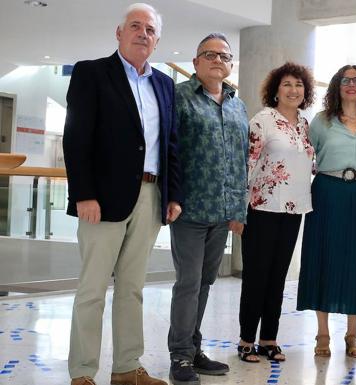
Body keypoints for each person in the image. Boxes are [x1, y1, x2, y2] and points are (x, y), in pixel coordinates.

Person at [63, 3, 182, 385]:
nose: (142, 33)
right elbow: (76, 137)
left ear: (157, 39)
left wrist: (172, 196)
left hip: (150, 197)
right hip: (101, 199)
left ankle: (127, 368)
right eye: (135, 26)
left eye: (150, 29)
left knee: (132, 289)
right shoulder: (92, 73)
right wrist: (83, 194)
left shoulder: (164, 84)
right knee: (93, 289)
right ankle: (83, 372)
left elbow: (172, 144)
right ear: (119, 33)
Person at [168, 33, 248, 385]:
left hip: (222, 212)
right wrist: (171, 196)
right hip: (188, 208)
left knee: (205, 283)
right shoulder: (179, 97)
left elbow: (241, 159)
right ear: (196, 63)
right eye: (209, 54)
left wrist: (238, 210)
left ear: (230, 64)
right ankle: (180, 356)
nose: (217, 60)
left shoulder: (236, 103)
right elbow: (168, 151)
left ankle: (193, 348)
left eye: (224, 55)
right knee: (188, 283)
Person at [297, 64, 356, 358]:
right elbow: (307, 156)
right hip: (327, 192)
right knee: (324, 256)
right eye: (345, 80)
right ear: (337, 86)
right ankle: (322, 334)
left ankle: (352, 335)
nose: (351, 84)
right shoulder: (322, 121)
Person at [237, 62, 315, 363]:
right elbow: (247, 165)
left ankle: (269, 339)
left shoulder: (303, 125)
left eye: (298, 84)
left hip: (294, 209)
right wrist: (239, 209)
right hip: (262, 207)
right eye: (287, 84)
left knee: (278, 276)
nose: (293, 90)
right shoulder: (263, 120)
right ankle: (246, 340)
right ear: (275, 90)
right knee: (257, 275)